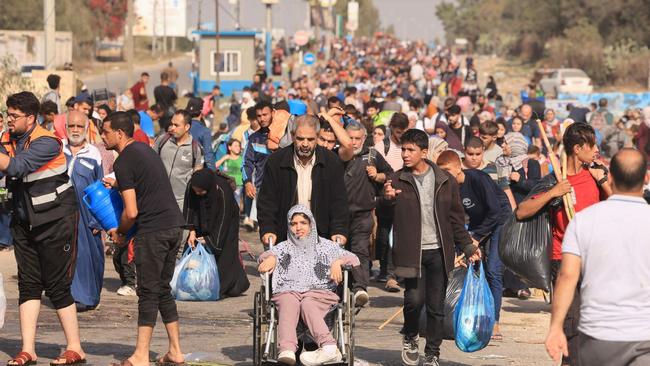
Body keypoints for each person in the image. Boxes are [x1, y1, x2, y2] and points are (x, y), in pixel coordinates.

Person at [382, 129, 481, 366]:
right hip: (410, 252)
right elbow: (384, 218)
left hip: (439, 251)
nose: (405, 154)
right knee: (414, 301)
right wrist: (386, 200)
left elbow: (456, 219)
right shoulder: (396, 180)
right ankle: (410, 336)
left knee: (437, 307)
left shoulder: (444, 181)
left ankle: (433, 353)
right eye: (403, 149)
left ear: (424, 153)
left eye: (410, 150)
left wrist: (467, 245)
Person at [516, 122, 611, 366]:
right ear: (578, 149)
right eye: (592, 145)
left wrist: (603, 182)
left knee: (593, 322)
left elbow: (620, 205)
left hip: (596, 260)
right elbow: (521, 212)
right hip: (563, 260)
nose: (597, 150)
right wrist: (552, 194)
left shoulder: (596, 175)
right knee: (571, 322)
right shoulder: (554, 180)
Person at [2, 92, 86, 366]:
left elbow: (17, 166)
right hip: (24, 223)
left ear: (31, 117)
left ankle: (75, 348)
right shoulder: (11, 139)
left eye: (14, 116)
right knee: (28, 285)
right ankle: (28, 350)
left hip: (55, 221)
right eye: (8, 114)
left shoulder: (47, 142)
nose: (9, 120)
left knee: (58, 286)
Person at [545, 148, 650, 365]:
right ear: (646, 177)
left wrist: (555, 327)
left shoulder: (583, 221)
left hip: (596, 337)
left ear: (610, 176)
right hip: (644, 336)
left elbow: (567, 276)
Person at [101, 111, 185, 366]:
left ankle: (140, 355)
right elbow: (147, 184)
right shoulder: (144, 150)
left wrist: (121, 233)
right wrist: (118, 186)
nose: (102, 136)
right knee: (161, 290)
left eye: (105, 131)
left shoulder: (123, 161)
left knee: (147, 291)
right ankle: (175, 351)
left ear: (119, 133)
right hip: (174, 225)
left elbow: (132, 211)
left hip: (154, 230)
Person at [257, 205, 360, 366]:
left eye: (303, 223)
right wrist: (270, 258)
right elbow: (263, 260)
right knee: (288, 301)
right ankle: (287, 350)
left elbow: (354, 259)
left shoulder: (326, 246)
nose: (298, 227)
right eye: (294, 223)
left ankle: (329, 348)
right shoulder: (283, 247)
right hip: (288, 291)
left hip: (318, 292)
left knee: (307, 303)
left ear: (311, 224)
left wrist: (338, 262)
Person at [437, 150, 511, 341]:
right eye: (440, 171)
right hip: (478, 224)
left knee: (494, 270)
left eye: (447, 170)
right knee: (474, 266)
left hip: (500, 221)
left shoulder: (478, 179)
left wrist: (476, 238)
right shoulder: (449, 188)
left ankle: (494, 322)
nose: (444, 175)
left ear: (458, 166)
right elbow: (454, 222)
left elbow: (495, 212)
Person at [257, 114, 349, 247]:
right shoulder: (276, 161)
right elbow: (267, 201)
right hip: (286, 236)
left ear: (317, 137)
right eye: (300, 139)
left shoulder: (331, 162)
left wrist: (339, 230)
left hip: (321, 236)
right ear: (293, 136)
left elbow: (339, 202)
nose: (305, 144)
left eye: (310, 139)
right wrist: (268, 229)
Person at [342, 122, 393, 306]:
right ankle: (338, 288)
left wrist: (377, 175)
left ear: (364, 138)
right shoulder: (338, 155)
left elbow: (390, 175)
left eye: (357, 138)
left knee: (360, 251)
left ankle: (360, 289)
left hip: (363, 214)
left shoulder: (372, 155)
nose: (354, 143)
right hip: (338, 216)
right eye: (350, 138)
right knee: (338, 252)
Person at [183, 169, 250, 298]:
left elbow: (222, 223)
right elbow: (190, 208)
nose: (197, 193)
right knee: (192, 247)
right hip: (200, 217)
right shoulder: (192, 186)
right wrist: (192, 230)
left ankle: (222, 286)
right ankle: (195, 283)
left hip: (226, 220)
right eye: (195, 191)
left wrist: (209, 240)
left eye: (200, 191)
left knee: (225, 253)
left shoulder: (222, 191)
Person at [62, 110, 105, 312]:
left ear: (87, 128)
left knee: (88, 255)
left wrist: (99, 221)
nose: (76, 130)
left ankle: (88, 297)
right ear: (66, 128)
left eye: (80, 126)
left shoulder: (94, 153)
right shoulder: (56, 149)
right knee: (62, 255)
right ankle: (65, 297)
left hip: (88, 215)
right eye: (72, 126)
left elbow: (102, 188)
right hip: (60, 214)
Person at [154, 109, 204, 211]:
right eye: (172, 124)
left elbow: (197, 176)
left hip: (181, 203)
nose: (172, 128)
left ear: (187, 127)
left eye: (176, 125)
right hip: (158, 199)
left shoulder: (195, 148)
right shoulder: (162, 140)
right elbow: (150, 163)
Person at [242, 101, 274, 224]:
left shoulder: (286, 135)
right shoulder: (254, 138)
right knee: (266, 229)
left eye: (265, 115)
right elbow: (246, 163)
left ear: (273, 113)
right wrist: (248, 182)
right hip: (263, 189)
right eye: (259, 116)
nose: (262, 119)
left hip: (284, 187)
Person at [185, 97, 216, 171]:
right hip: (196, 172)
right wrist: (213, 175)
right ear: (201, 111)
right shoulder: (204, 131)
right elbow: (208, 156)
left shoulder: (181, 127)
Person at [216, 139, 243, 205]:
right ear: (229, 147)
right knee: (226, 202)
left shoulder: (242, 159)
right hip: (227, 184)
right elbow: (215, 166)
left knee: (236, 202)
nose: (238, 147)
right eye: (235, 146)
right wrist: (224, 158)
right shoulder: (226, 158)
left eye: (239, 146)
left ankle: (237, 215)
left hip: (238, 185)